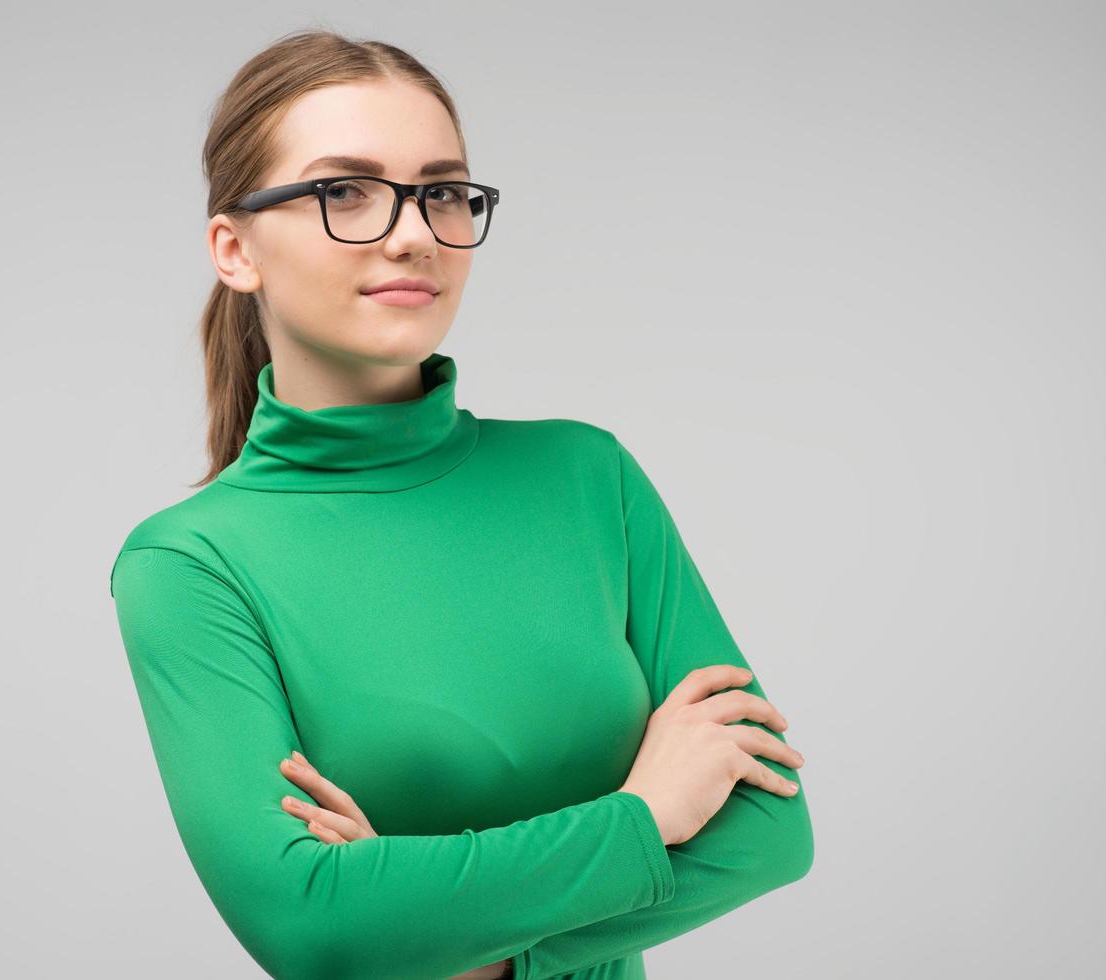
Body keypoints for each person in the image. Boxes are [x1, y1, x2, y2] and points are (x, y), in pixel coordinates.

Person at [109, 28, 814, 980]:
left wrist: (459, 951)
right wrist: (642, 819)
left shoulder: (587, 477)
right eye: (344, 191)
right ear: (235, 250)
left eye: (441, 191)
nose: (411, 232)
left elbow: (768, 834)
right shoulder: (190, 565)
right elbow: (311, 927)